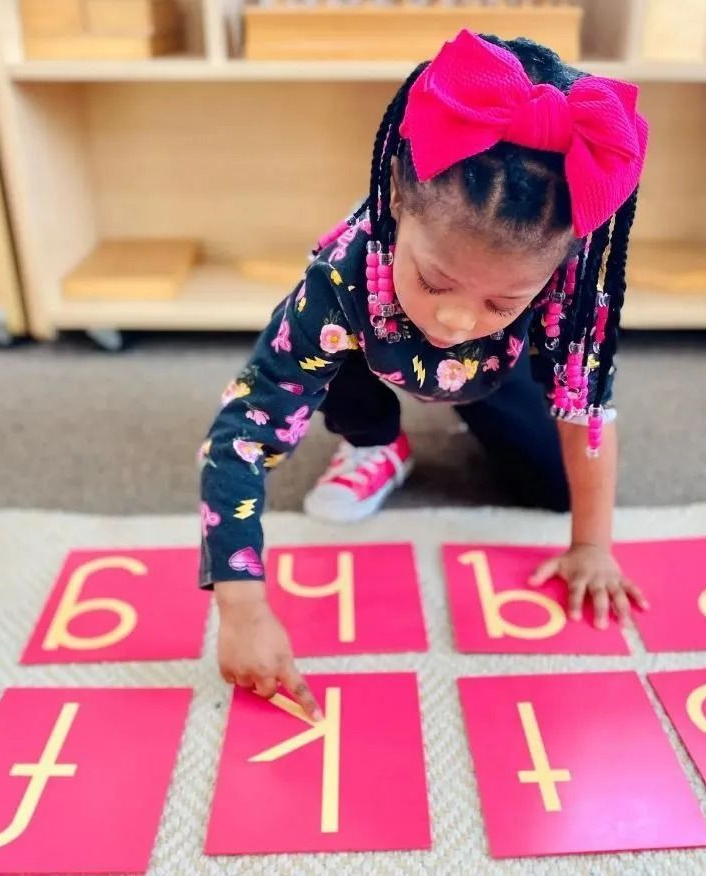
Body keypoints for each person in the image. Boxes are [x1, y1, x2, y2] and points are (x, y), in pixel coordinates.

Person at [201, 30, 650, 719]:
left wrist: (591, 545)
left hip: (493, 373)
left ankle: (472, 395)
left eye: (501, 300)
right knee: (334, 365)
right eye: (435, 280)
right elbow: (239, 434)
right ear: (396, 204)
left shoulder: (566, 276)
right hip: (368, 347)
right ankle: (376, 439)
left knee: (553, 488)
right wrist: (241, 607)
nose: (457, 320)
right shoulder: (342, 276)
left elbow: (585, 408)